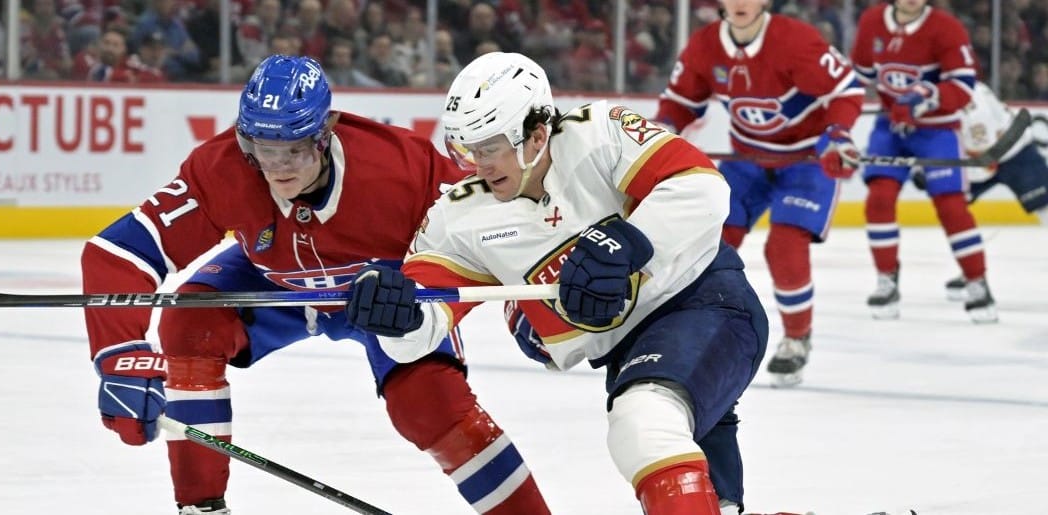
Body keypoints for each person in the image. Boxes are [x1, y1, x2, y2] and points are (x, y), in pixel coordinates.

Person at [81, 55, 550, 515]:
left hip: (381, 294)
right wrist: (119, 354)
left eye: (294, 150)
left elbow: (489, 236)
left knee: (426, 402)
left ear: (323, 136)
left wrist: (528, 314)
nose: (278, 167)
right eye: (264, 150)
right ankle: (200, 508)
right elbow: (116, 254)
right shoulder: (222, 167)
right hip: (277, 280)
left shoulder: (401, 167)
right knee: (192, 319)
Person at [345, 51, 768, 515]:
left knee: (642, 423)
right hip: (628, 354)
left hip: (706, 303)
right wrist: (397, 318)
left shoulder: (598, 132)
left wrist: (630, 242)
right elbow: (423, 323)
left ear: (537, 134)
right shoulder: (459, 217)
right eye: (466, 148)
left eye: (488, 147)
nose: (476, 164)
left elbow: (702, 187)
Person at [653, 0, 863, 386]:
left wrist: (838, 135)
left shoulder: (795, 40)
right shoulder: (705, 46)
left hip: (806, 159)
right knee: (712, 241)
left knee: (784, 246)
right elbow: (682, 101)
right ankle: (698, 326)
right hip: (747, 159)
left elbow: (846, 91)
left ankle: (798, 337)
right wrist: (664, 128)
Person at [850, 0, 997, 322]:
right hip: (890, 125)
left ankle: (976, 280)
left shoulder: (946, 28)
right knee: (879, 198)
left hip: (937, 129)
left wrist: (925, 97)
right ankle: (886, 278)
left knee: (951, 205)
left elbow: (962, 84)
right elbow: (856, 77)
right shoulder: (873, 21)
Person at [922, 82, 1047, 299]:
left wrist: (947, 173)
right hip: (982, 156)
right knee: (953, 207)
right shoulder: (942, 91)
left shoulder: (973, 109)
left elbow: (987, 163)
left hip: (1015, 151)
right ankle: (972, 270)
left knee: (1045, 205)